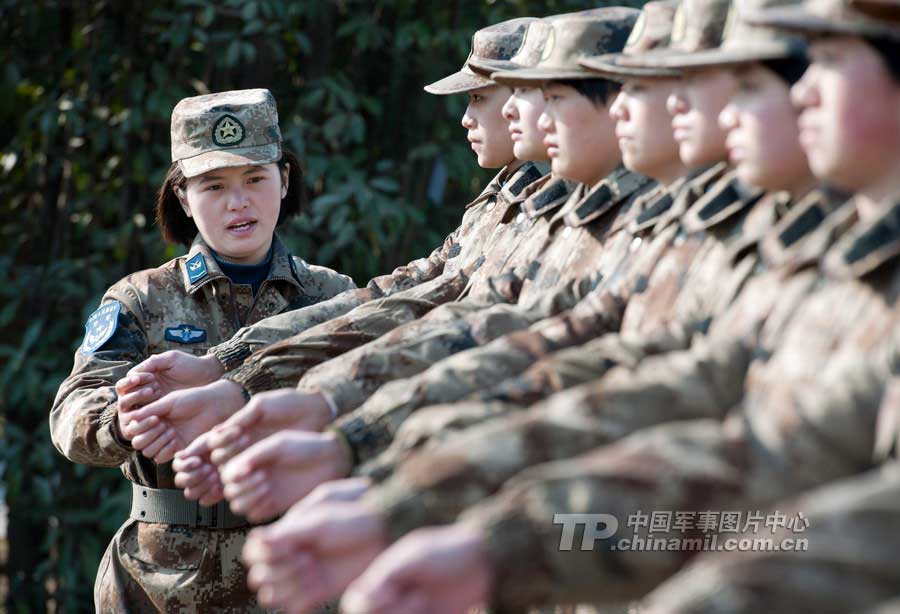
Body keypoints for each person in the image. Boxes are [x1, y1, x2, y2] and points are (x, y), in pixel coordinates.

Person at [334, 0, 900, 610]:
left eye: (829, 62)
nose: (805, 94)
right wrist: (380, 455)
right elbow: (664, 379)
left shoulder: (783, 247)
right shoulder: (808, 252)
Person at [49, 88, 356, 612]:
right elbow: (71, 414)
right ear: (184, 197)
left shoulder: (332, 296)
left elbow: (365, 397)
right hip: (159, 581)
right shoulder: (142, 298)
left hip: (292, 572)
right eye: (214, 185)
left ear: (284, 180)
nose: (238, 202)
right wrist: (125, 420)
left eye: (255, 179)